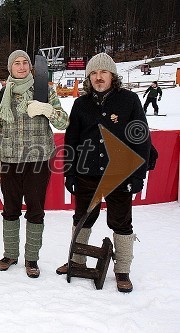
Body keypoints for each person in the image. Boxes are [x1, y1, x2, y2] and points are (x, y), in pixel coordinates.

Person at [56, 53, 151, 293]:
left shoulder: (129, 101)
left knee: (121, 222)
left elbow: (141, 140)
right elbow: (72, 141)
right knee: (82, 219)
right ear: (89, 77)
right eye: (94, 73)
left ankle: (123, 271)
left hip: (120, 175)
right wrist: (70, 173)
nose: (98, 77)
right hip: (86, 174)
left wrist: (138, 176)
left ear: (112, 75)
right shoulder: (80, 104)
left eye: (103, 73)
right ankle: (76, 261)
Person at [0, 50, 69, 278]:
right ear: (10, 68)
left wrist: (47, 109)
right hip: (9, 160)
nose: (22, 66)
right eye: (16, 63)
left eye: (25, 62)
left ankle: (32, 258)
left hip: (37, 159)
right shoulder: (0, 95)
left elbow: (64, 121)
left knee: (35, 210)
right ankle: (10, 254)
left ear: (30, 67)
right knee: (10, 209)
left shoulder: (44, 90)